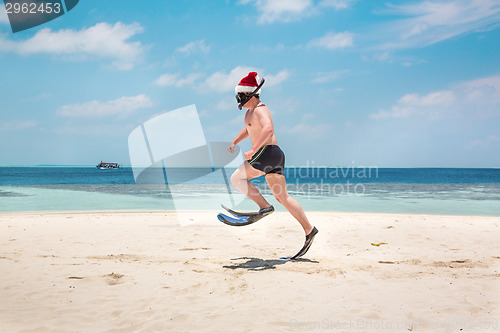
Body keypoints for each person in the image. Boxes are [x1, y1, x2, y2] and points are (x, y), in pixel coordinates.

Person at [227, 72, 318, 259]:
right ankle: (309, 229)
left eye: (240, 96)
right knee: (283, 197)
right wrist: (235, 142)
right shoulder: (250, 113)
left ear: (249, 94)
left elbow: (268, 129)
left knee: (236, 178)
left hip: (267, 153)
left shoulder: (260, 109)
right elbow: (249, 128)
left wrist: (253, 149)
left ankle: (264, 206)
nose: (238, 100)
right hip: (275, 156)